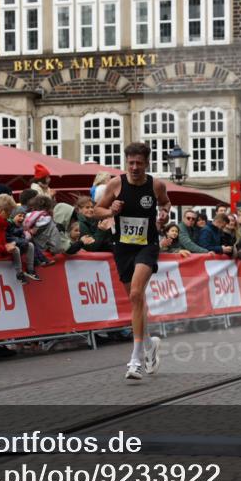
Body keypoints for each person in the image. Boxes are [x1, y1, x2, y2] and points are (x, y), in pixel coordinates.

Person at [94, 142, 170, 381]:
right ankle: (149, 344)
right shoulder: (116, 184)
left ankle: (135, 360)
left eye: (139, 163)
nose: (135, 167)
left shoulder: (155, 185)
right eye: (131, 163)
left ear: (147, 163)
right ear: (126, 163)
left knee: (137, 293)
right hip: (123, 247)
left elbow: (165, 202)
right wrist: (110, 212)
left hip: (147, 246)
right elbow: (96, 210)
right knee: (135, 300)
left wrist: (165, 212)